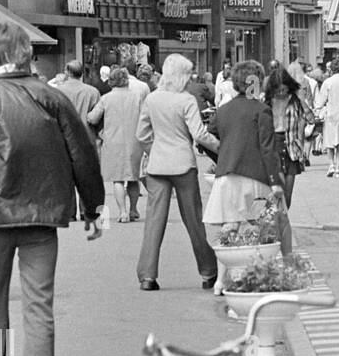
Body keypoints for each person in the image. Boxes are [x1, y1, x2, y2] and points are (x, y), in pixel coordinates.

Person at [0, 20, 104, 356]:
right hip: (43, 216)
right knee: (38, 309)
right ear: (27, 53)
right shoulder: (53, 97)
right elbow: (82, 154)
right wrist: (93, 208)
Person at [135, 52, 219, 292]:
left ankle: (147, 276)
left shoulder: (152, 99)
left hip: (158, 166)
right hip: (183, 164)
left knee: (153, 221)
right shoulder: (186, 100)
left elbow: (141, 135)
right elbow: (200, 134)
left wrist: (155, 151)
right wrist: (221, 147)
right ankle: (208, 271)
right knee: (193, 220)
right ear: (181, 76)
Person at [203, 60, 289, 258]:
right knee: (264, 226)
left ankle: (222, 277)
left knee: (229, 226)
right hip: (254, 175)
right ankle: (263, 267)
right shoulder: (261, 110)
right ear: (257, 82)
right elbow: (267, 148)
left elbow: (207, 137)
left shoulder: (223, 110)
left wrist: (222, 156)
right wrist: (275, 181)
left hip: (226, 175)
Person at [87, 66, 145, 222]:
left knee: (118, 179)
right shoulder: (137, 97)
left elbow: (92, 118)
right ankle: (133, 209)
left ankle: (123, 212)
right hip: (135, 141)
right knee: (133, 177)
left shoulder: (106, 98)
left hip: (113, 142)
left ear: (111, 81)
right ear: (126, 80)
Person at [264, 61, 312, 209]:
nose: (281, 93)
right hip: (273, 146)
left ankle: (281, 223)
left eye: (284, 89)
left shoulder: (295, 100)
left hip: (291, 147)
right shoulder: (266, 101)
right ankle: (275, 226)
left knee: (287, 196)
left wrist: (302, 100)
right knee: (274, 193)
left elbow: (311, 119)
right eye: (278, 90)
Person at [315, 56, 339, 177]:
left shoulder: (328, 82)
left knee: (330, 141)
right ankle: (338, 167)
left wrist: (318, 110)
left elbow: (320, 100)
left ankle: (331, 165)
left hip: (331, 113)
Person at [60, 59, 102, 147]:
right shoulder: (93, 92)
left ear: (67, 72)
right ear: (82, 73)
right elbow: (98, 119)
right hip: (87, 136)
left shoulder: (58, 91)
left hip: (65, 136)